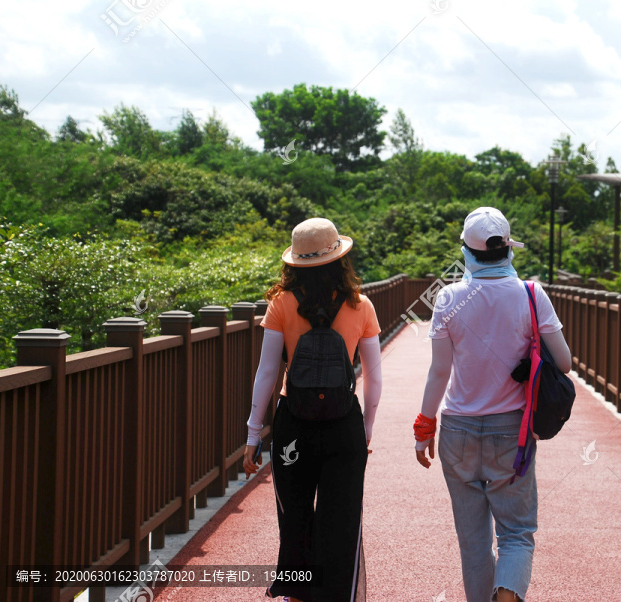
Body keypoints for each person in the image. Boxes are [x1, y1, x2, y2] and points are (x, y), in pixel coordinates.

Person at [414, 207, 571, 602]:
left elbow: (439, 373)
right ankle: (507, 594)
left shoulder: (449, 297)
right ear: (507, 250)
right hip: (511, 432)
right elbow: (565, 363)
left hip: (457, 432)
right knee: (516, 534)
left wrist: (423, 428)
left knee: (473, 544)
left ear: (466, 252)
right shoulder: (531, 294)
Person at [243, 217, 382, 602]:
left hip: (294, 424)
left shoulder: (281, 304)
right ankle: (336, 595)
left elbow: (268, 372)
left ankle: (297, 593)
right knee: (341, 520)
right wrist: (366, 430)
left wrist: (254, 435)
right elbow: (373, 378)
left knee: (296, 517)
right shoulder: (361, 305)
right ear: (340, 259)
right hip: (344, 424)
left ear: (295, 262)